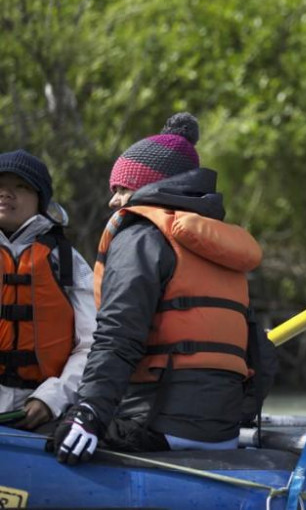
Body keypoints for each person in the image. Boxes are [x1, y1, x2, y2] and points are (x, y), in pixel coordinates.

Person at [52, 113, 270, 465]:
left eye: (122, 189)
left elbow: (118, 336)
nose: (114, 201)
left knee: (45, 431)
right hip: (223, 436)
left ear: (147, 187)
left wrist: (88, 412)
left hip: (156, 426)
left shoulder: (141, 235)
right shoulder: (222, 248)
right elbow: (262, 354)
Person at [0, 150, 96, 431]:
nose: (6, 194)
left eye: (21, 186)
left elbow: (92, 344)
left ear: (40, 199)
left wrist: (52, 398)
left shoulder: (66, 259)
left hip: (44, 410)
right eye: (1, 186)